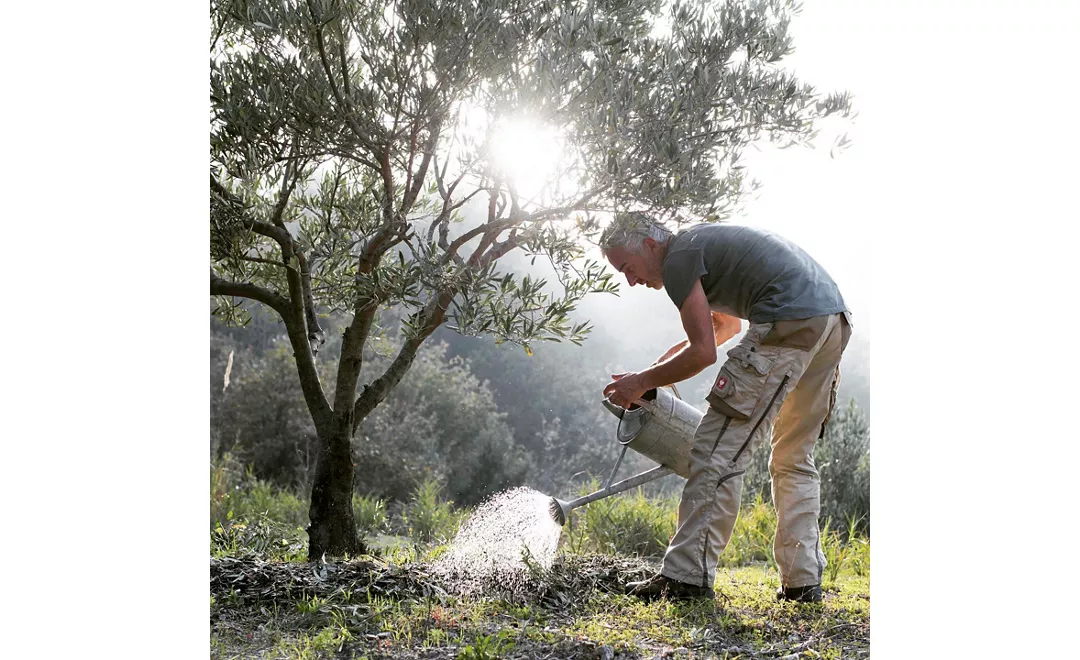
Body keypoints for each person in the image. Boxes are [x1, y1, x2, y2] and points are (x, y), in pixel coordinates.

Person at [600, 212, 852, 603]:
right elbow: (725, 329)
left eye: (627, 267)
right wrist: (650, 374)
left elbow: (703, 352)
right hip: (830, 321)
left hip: (787, 319)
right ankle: (803, 583)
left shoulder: (678, 260)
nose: (630, 280)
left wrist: (641, 383)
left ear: (650, 246)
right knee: (793, 456)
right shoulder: (698, 245)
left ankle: (686, 578)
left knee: (717, 452)